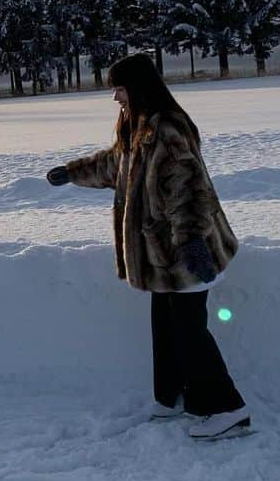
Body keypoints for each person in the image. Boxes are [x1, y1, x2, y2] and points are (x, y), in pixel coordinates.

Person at [45, 53, 249, 440]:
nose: (115, 98)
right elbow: (115, 164)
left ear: (137, 87)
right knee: (166, 326)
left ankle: (227, 409)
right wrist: (72, 173)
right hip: (161, 255)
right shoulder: (138, 126)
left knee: (191, 333)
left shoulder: (168, 129)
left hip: (184, 249)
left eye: (119, 89)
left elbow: (189, 190)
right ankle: (172, 397)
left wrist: (190, 242)